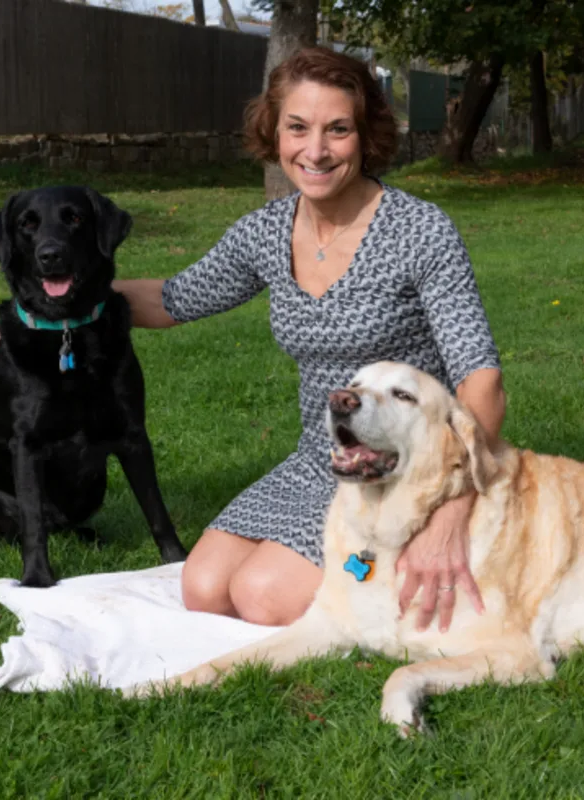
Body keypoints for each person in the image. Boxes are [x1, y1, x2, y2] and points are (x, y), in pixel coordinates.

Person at [114, 47, 506, 630]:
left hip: (409, 465)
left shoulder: (420, 231)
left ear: (365, 134)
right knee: (203, 587)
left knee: (263, 596)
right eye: (297, 127)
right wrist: (39, 309)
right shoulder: (266, 233)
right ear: (273, 131)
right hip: (320, 458)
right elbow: (172, 299)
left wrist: (452, 505)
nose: (315, 150)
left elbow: (482, 379)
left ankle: (399, 562)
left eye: (337, 130)